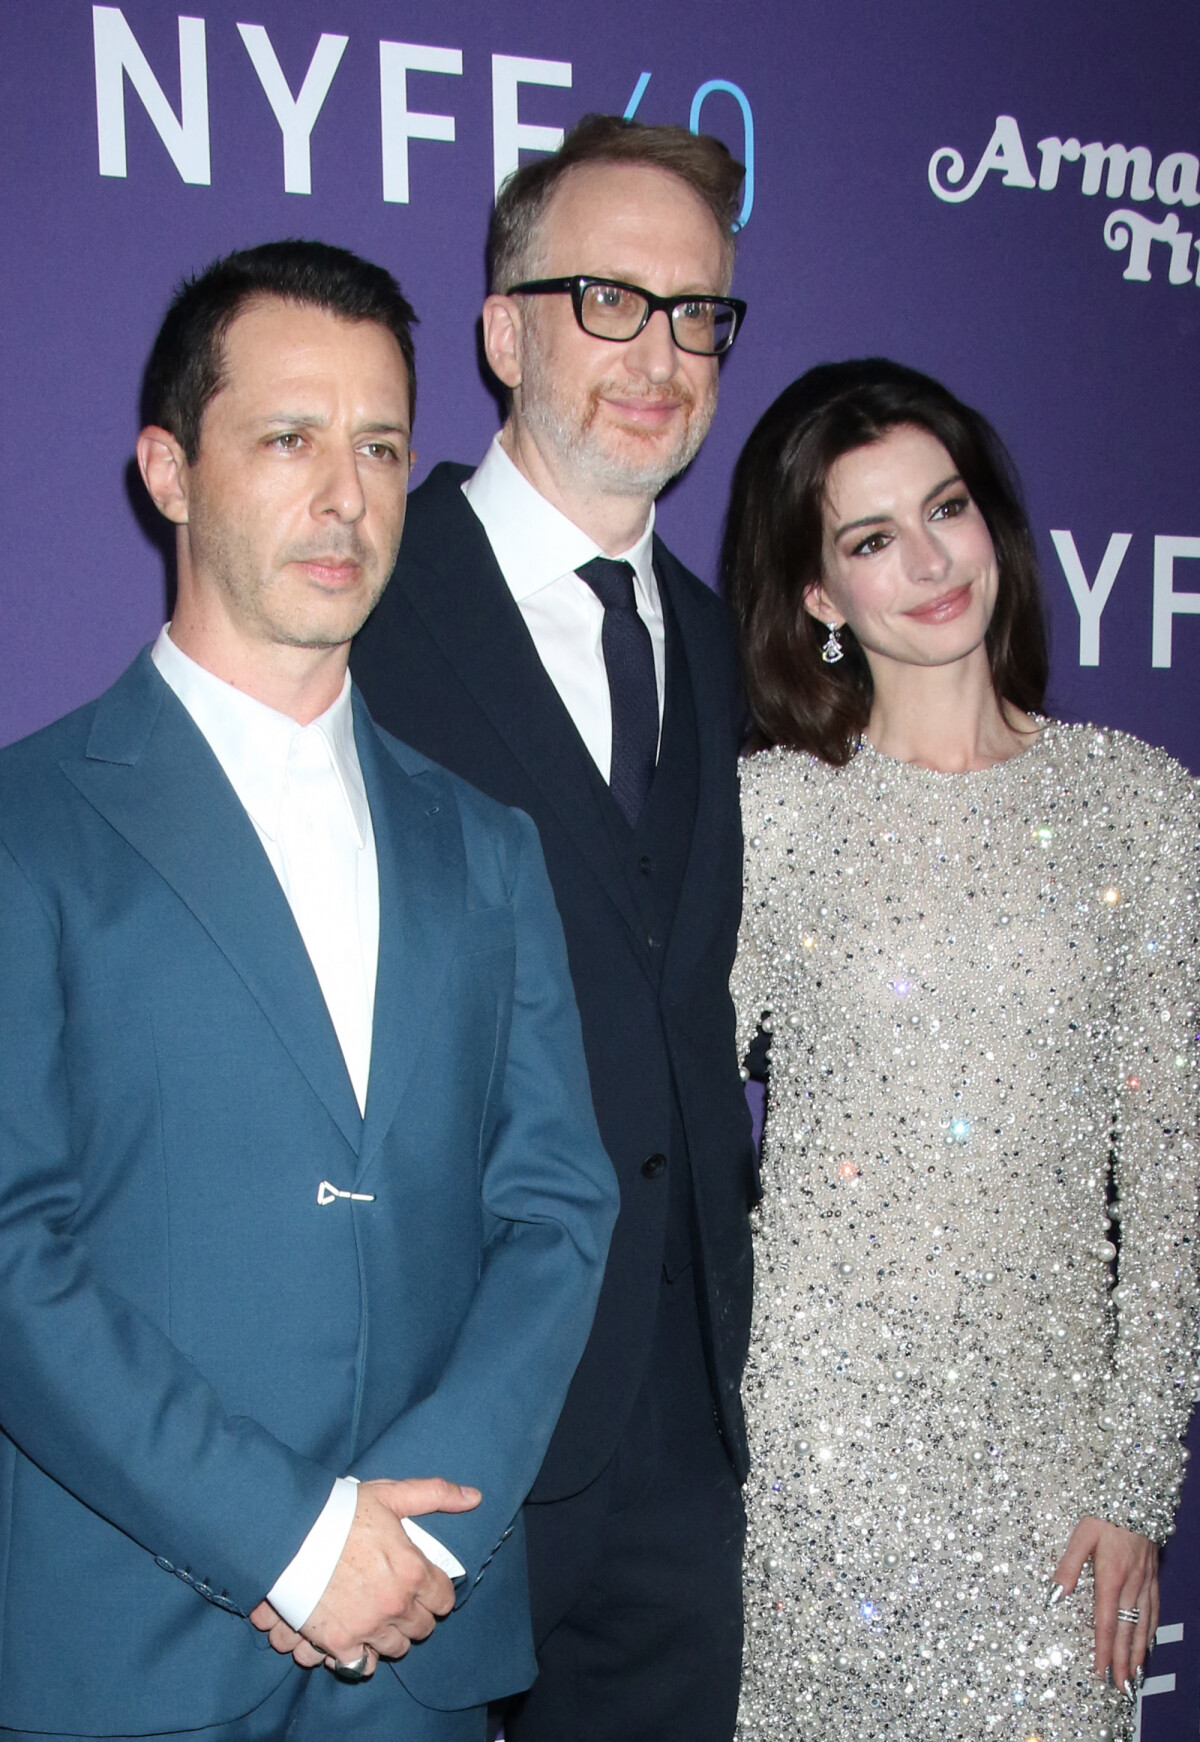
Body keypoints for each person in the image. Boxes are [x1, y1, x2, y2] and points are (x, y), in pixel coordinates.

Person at [0, 239, 618, 1742]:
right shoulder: (28, 825)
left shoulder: (487, 847)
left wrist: (415, 1538)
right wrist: (291, 1534)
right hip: (132, 1655)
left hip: (419, 1652)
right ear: (169, 468)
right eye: (289, 437)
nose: (347, 495)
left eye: (383, 445)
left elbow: (556, 1208)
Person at [352, 115, 757, 1742]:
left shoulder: (737, 654)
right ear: (503, 329)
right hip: (424, 1401)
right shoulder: (364, 600)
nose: (660, 353)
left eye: (699, 313)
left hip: (678, 1432)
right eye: (608, 299)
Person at [724, 358, 1199, 1742]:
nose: (930, 562)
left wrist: (1132, 1480)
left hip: (1054, 1490)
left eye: (948, 510)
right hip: (812, 1478)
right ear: (819, 594)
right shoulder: (769, 818)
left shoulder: (1142, 810)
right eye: (873, 538)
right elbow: (664, 1126)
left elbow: (1171, 1181)